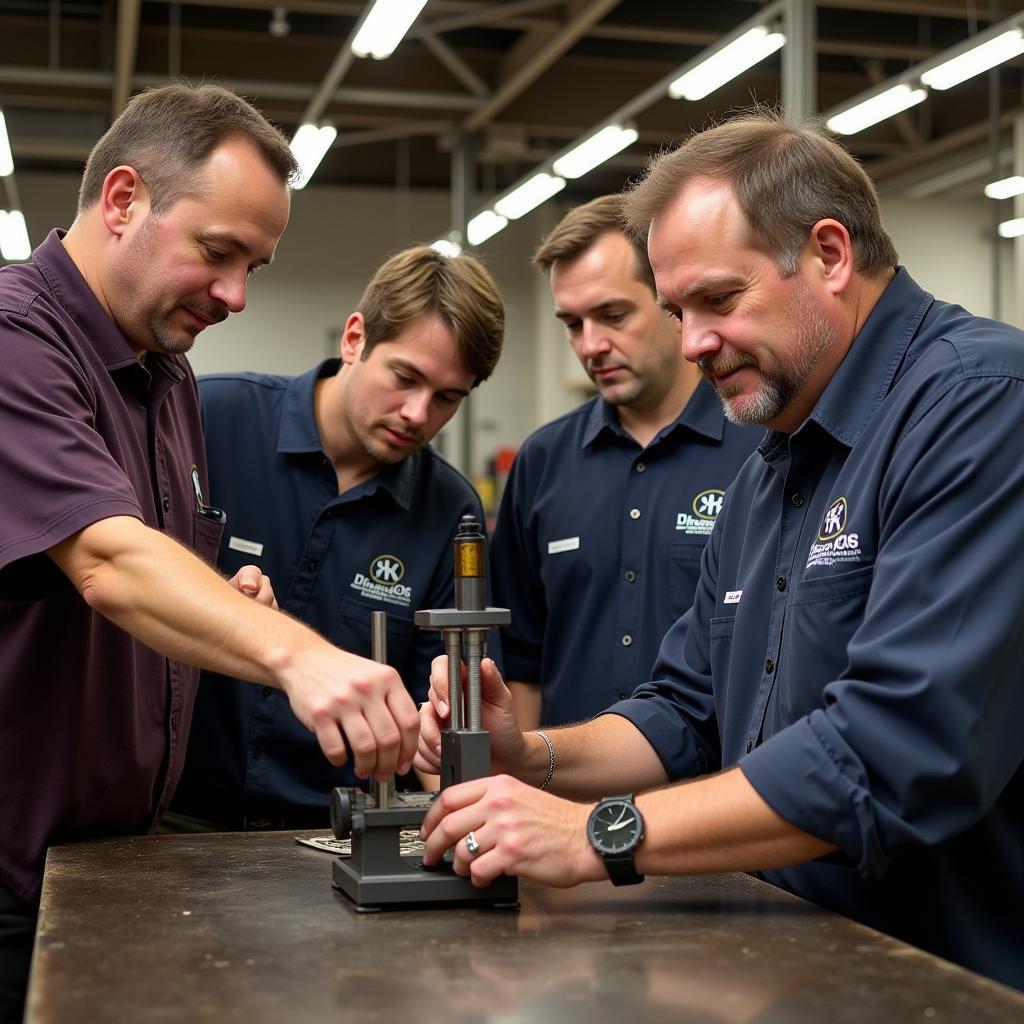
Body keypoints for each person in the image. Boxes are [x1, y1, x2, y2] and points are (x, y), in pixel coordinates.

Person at [415, 109, 1024, 992]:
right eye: (676, 310)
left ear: (829, 253)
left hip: (947, 979)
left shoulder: (980, 408)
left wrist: (597, 833)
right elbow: (688, 708)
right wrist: (532, 757)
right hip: (794, 964)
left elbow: (894, 748)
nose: (693, 343)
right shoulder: (770, 465)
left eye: (719, 300)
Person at [0, 83, 419, 1020]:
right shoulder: (15, 339)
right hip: (14, 879)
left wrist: (228, 596)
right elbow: (109, 563)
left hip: (116, 867)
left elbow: (150, 564)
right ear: (122, 201)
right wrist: (305, 657)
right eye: (218, 253)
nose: (235, 295)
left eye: (254, 268)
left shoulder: (169, 376)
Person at [169, 245, 505, 830]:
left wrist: (465, 812)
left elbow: (439, 719)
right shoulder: (205, 417)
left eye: (448, 397)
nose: (417, 414)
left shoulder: (451, 511)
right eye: (405, 378)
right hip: (166, 821)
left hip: (331, 837)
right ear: (355, 339)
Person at [490, 195, 760, 728]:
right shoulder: (541, 463)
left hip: (714, 799)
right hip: (565, 799)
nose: (591, 345)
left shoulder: (759, 449)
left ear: (669, 299)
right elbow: (521, 661)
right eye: (572, 324)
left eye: (612, 315)